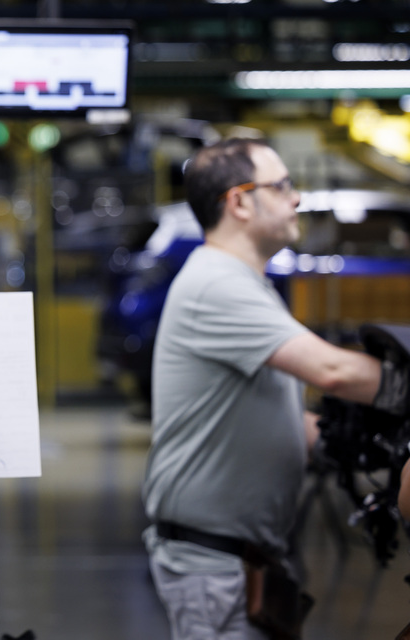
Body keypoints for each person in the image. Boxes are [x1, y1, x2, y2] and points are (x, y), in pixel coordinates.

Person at [140, 137, 410, 640]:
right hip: (215, 566)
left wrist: (338, 440)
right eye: (282, 185)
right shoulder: (216, 284)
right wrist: (401, 388)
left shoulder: (246, 283)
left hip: (243, 559)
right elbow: (331, 370)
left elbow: (270, 414)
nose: (296, 198)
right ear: (239, 201)